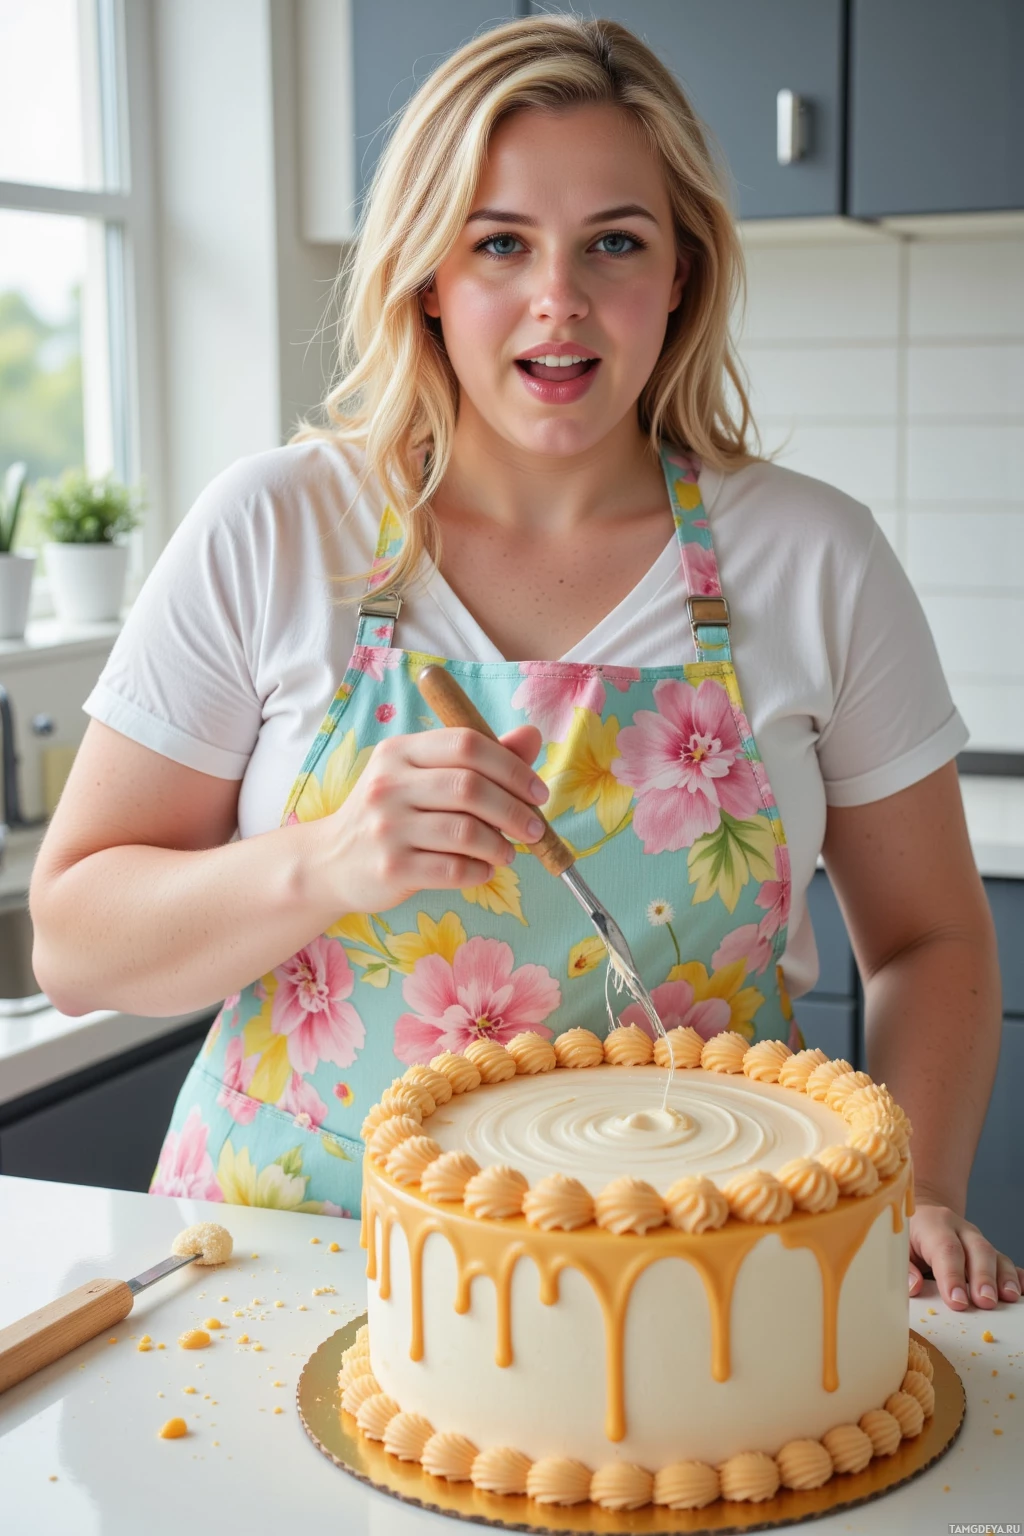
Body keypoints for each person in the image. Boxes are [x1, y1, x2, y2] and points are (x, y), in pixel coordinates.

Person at [30, 15, 1020, 1306]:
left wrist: (923, 1190)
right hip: (292, 1269)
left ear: (680, 273)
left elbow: (935, 939)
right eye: (500, 243)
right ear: (429, 275)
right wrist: (323, 863)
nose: (560, 299)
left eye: (616, 241)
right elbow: (75, 941)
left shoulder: (814, 557)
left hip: (691, 1280)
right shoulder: (275, 529)